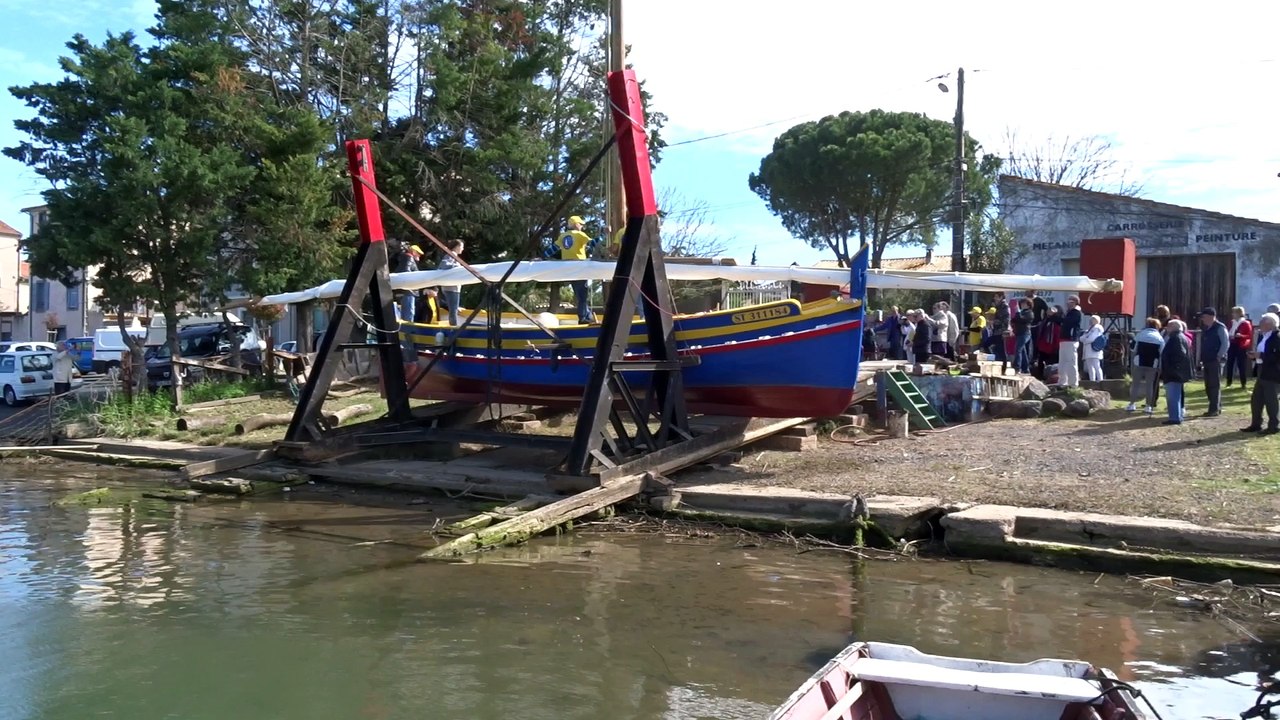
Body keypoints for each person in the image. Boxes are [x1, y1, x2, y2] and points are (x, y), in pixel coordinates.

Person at [1242, 312, 1280, 435]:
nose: (1260, 324)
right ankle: (1256, 424)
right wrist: (1255, 356)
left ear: (1270, 324)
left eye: (1263, 322)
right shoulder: (1264, 336)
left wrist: (1261, 356)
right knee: (1256, 399)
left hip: (1273, 374)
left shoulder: (1277, 337)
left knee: (1271, 401)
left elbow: (1277, 356)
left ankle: (1274, 425)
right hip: (1262, 371)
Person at [559, 215, 595, 325]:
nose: (582, 227)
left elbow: (554, 248)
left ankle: (587, 315)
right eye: (581, 224)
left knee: (579, 295)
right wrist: (605, 234)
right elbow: (593, 243)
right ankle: (583, 318)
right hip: (580, 267)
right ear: (576, 225)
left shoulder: (563, 236)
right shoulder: (580, 235)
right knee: (583, 296)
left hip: (569, 270)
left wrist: (543, 256)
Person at [1159, 319, 1193, 426]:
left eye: (1169, 326)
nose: (1167, 328)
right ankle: (1176, 416)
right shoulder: (1181, 337)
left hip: (1173, 372)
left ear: (1173, 327)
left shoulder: (1176, 338)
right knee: (1175, 395)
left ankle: (1174, 417)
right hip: (1177, 371)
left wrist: (1172, 366)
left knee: (1172, 396)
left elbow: (1179, 354)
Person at [1127, 317, 1164, 414]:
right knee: (1150, 385)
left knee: (1135, 384)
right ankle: (1148, 406)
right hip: (1153, 364)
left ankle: (1132, 404)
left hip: (1139, 362)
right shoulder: (1159, 338)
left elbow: (1133, 348)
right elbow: (1162, 352)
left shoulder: (1140, 335)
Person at [1197, 307, 1228, 417]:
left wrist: (1219, 356)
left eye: (1204, 316)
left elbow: (1225, 343)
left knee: (1214, 385)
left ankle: (1214, 409)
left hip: (1216, 360)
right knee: (1208, 385)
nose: (1202, 319)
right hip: (1207, 359)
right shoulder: (1207, 328)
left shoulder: (1220, 327)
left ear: (1211, 316)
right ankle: (1215, 407)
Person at [1058, 295, 1084, 387]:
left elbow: (1067, 321)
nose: (1068, 304)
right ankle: (1062, 382)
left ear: (1075, 303)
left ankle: (1073, 383)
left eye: (1071, 302)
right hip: (1063, 339)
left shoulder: (1076, 313)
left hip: (1071, 340)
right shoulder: (1069, 312)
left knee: (1071, 362)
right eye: (1068, 302)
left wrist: (1059, 316)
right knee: (1062, 362)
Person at [395, 243, 424, 324]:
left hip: (406, 291)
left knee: (407, 311)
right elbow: (406, 272)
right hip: (409, 291)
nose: (419, 255)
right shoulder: (409, 257)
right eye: (418, 253)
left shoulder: (405, 258)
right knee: (409, 313)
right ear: (413, 252)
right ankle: (408, 329)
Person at [438, 239, 464, 327]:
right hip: (451, 288)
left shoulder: (453, 255)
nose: (462, 249)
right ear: (456, 247)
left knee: (454, 309)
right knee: (453, 310)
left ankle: (453, 325)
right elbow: (443, 265)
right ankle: (454, 327)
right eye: (461, 246)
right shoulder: (451, 255)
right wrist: (457, 266)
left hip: (453, 288)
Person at [1226, 306, 1253, 391]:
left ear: (1239, 313)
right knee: (1230, 363)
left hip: (1241, 345)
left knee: (1241, 365)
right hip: (1232, 344)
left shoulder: (1245, 323)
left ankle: (1243, 383)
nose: (1232, 314)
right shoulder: (1232, 322)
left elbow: (1249, 335)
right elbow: (1228, 331)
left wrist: (1241, 336)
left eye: (1234, 312)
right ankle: (1229, 382)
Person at [1010, 298, 1034, 374]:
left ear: (1028, 305)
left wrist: (1017, 312)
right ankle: (1026, 368)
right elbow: (1014, 320)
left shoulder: (1029, 313)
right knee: (1022, 351)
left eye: (1024, 303)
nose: (1022, 305)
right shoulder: (1022, 312)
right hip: (1019, 333)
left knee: (1018, 349)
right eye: (1022, 303)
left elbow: (1021, 319)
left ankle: (1017, 367)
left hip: (1025, 333)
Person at [1080, 315, 1105, 383]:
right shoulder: (1089, 329)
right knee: (1090, 367)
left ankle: (1100, 380)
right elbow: (1081, 338)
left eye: (1093, 319)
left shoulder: (1097, 328)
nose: (1091, 321)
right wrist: (1086, 339)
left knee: (1096, 365)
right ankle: (1092, 381)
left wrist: (1085, 340)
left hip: (1094, 350)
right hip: (1088, 351)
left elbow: (1092, 338)